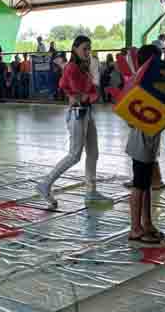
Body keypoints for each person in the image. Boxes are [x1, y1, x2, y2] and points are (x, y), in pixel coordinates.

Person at [36, 36, 111, 209]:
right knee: (74, 155)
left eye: (89, 49)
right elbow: (82, 93)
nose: (87, 52)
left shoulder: (81, 68)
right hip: (77, 114)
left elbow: (89, 92)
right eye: (84, 48)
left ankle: (91, 191)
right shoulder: (72, 68)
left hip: (86, 112)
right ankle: (45, 184)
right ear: (75, 48)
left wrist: (86, 93)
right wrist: (83, 94)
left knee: (93, 152)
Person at [126, 45, 165, 244]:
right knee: (139, 185)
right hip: (140, 142)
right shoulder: (139, 86)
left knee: (146, 184)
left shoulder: (154, 85)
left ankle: (147, 222)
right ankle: (135, 228)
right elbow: (130, 117)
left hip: (150, 141)